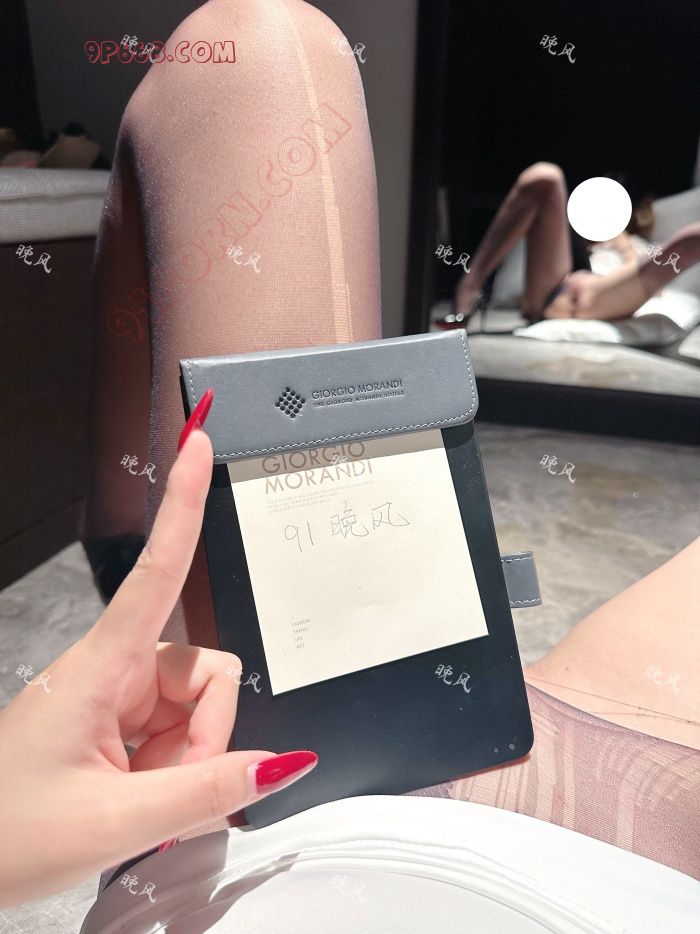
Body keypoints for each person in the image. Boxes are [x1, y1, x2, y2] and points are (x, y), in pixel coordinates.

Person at [4, 0, 692, 912]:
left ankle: (119, 518)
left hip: (286, 829)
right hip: (621, 847)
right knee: (261, 47)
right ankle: (123, 519)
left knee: (255, 45)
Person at [453, 162, 700, 324]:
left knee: (689, 241)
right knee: (544, 176)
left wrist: (621, 242)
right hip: (559, 286)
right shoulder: (573, 241)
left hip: (597, 296)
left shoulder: (635, 245)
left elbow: (651, 284)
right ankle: (470, 286)